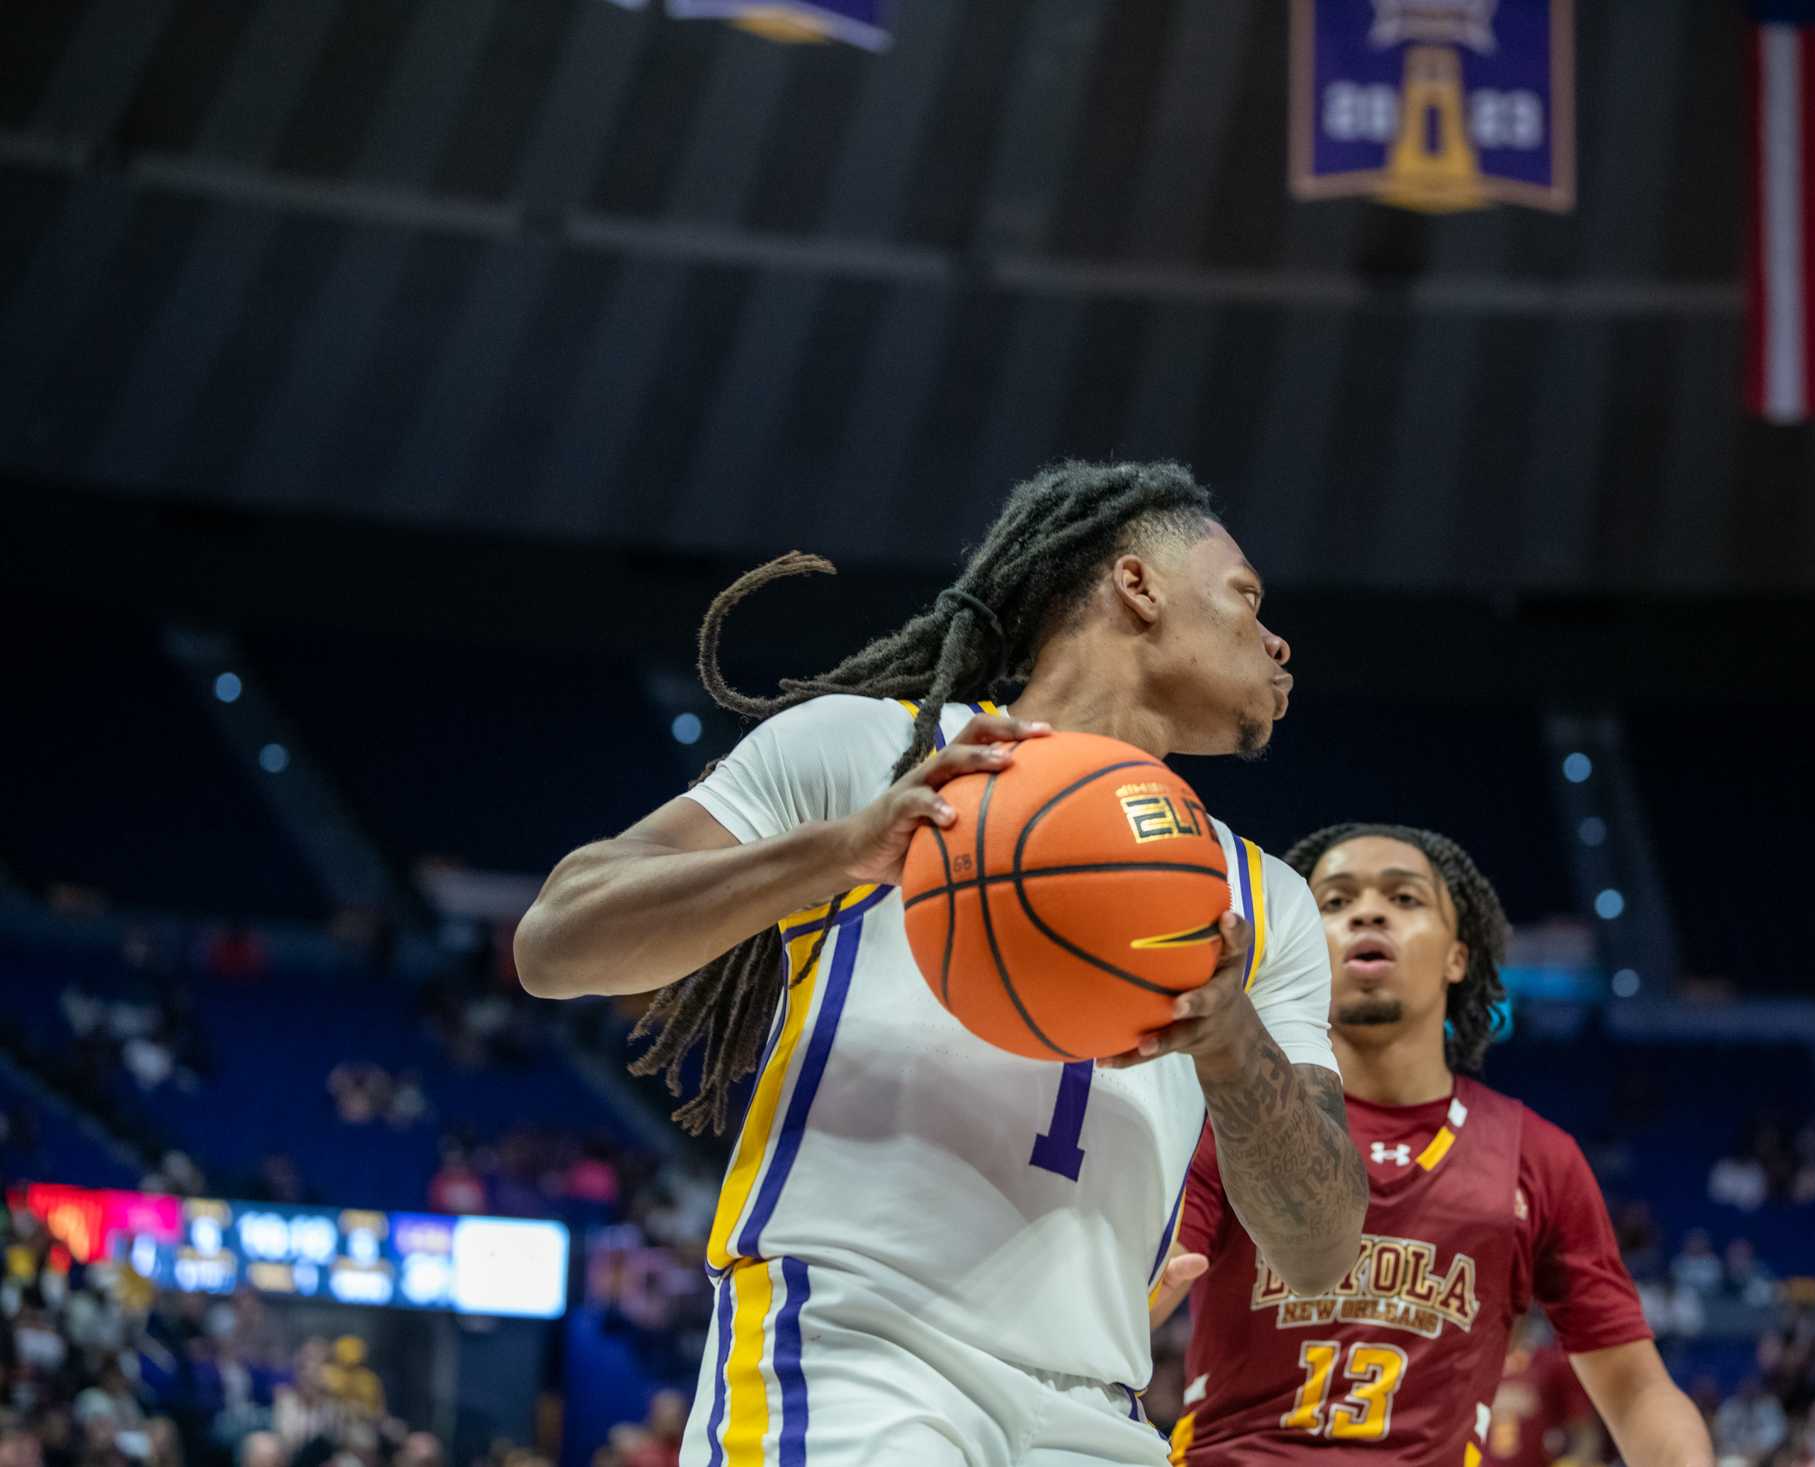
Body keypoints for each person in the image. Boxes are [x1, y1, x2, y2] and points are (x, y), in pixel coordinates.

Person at [517, 462, 1366, 1466]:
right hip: (856, 1353)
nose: (1276, 643)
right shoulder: (878, 752)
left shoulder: (1264, 900)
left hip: (1099, 1408)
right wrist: (835, 854)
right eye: (1244, 597)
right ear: (1138, 585)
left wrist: (1231, 1047)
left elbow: (1319, 1251)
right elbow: (556, 940)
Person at [1150, 823, 1710, 1467]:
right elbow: (1139, 1298)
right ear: (1300, 943)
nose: (1366, 911)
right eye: (1333, 902)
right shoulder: (1229, 1114)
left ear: (1458, 955)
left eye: (1405, 899)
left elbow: (1636, 1388)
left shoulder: (1539, 1157)